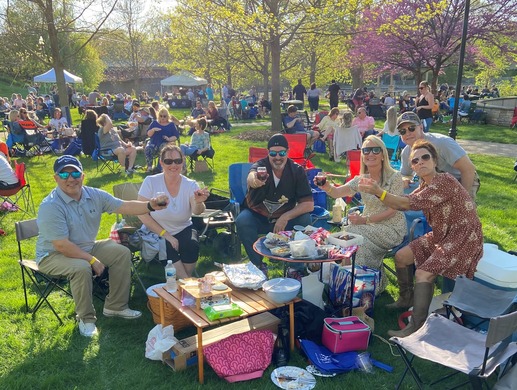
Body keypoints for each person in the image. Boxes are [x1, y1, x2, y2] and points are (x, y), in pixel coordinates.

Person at [358, 140, 483, 337]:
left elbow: (407, 204)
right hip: (442, 234)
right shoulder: (426, 185)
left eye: (425, 157)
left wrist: (378, 192)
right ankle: (406, 299)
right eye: (415, 161)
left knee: (424, 273)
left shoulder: (445, 181)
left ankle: (416, 325)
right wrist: (380, 192)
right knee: (402, 256)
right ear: (413, 167)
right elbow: (401, 204)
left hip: (463, 236)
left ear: (434, 160)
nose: (421, 162)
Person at [35, 155, 169, 337]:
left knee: (121, 252)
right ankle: (86, 319)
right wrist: (91, 260)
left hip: (85, 247)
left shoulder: (94, 195)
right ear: (55, 178)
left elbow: (124, 206)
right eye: (64, 175)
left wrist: (150, 205)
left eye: (75, 173)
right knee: (82, 267)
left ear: (82, 175)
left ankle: (116, 306)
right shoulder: (51, 206)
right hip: (52, 255)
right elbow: (61, 245)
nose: (71, 179)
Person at [317, 136, 406, 294]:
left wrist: (364, 220)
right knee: (357, 244)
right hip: (367, 226)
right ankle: (355, 287)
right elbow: (337, 193)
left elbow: (393, 209)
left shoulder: (395, 177)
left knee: (353, 235)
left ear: (383, 154)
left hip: (392, 227)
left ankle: (360, 289)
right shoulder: (361, 179)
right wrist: (325, 185)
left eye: (375, 150)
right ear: (362, 155)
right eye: (366, 150)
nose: (370, 154)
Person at [235, 134, 314, 275]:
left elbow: (308, 204)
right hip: (257, 216)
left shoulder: (297, 171)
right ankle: (258, 265)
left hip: (283, 220)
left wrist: (286, 217)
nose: (277, 157)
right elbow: (251, 175)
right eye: (273, 153)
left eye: (282, 153)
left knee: (305, 219)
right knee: (242, 220)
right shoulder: (260, 167)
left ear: (288, 152)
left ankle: (295, 267)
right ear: (268, 153)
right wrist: (254, 181)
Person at [137, 145, 209, 278]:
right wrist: (166, 235)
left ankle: (182, 284)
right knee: (167, 246)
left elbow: (197, 211)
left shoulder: (190, 184)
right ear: (161, 163)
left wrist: (199, 202)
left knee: (191, 245)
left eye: (178, 161)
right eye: (168, 161)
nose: (173, 165)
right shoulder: (151, 182)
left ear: (183, 161)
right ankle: (187, 285)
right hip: (157, 230)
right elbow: (140, 212)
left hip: (183, 227)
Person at [397, 111, 479, 199]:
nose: (407, 133)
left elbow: (468, 169)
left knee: (460, 209)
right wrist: (404, 179)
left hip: (460, 179)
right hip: (433, 183)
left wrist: (462, 198)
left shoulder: (442, 143)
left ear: (421, 127)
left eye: (411, 128)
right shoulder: (406, 152)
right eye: (402, 131)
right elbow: (404, 174)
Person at [144, 107, 180, 173]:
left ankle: (159, 168)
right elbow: (148, 134)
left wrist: (169, 139)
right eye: (161, 116)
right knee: (148, 148)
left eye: (164, 116)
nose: (162, 118)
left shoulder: (171, 125)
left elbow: (176, 136)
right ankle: (149, 167)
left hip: (166, 143)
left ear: (167, 116)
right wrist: (153, 130)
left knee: (164, 148)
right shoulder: (154, 123)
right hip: (154, 142)